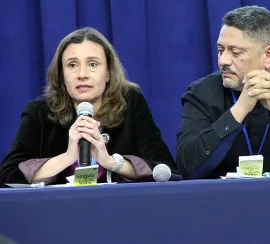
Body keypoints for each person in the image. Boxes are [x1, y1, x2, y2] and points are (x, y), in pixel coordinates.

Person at [0, 27, 177, 187]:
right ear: (61, 76)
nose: (82, 75)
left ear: (108, 73)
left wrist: (111, 162)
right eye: (72, 65)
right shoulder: (39, 112)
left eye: (92, 64)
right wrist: (67, 157)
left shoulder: (130, 104)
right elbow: (8, 176)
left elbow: (165, 170)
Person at [176, 6, 270, 179]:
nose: (223, 60)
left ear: (268, 55)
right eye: (220, 50)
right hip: (223, 201)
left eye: (235, 52)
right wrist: (239, 110)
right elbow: (186, 168)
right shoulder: (200, 94)